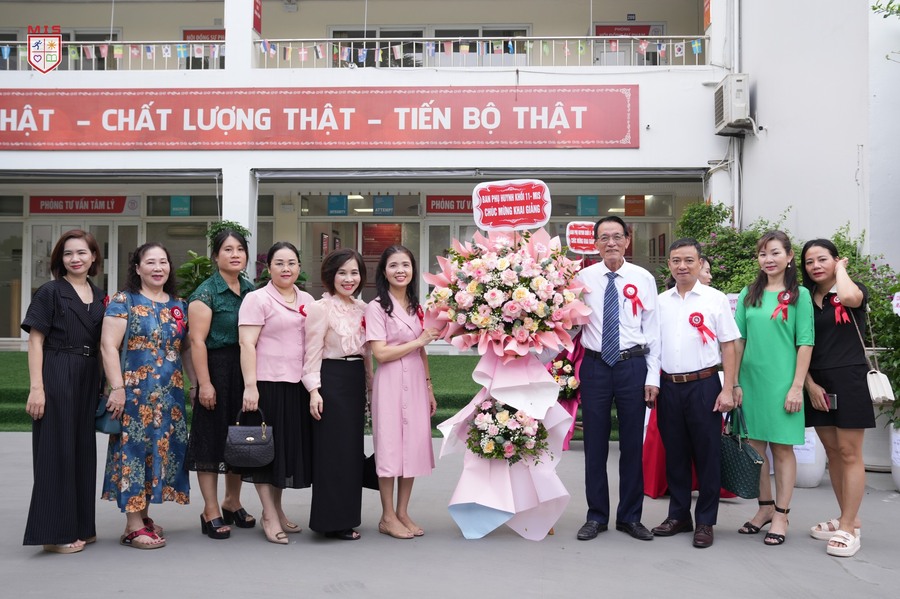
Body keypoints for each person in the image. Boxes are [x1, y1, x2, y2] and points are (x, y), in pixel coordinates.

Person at [100, 242, 195, 550]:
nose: (158, 268)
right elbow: (108, 346)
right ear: (137, 268)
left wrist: (195, 385)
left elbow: (186, 349)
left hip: (170, 397)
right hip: (135, 395)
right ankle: (132, 526)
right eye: (150, 262)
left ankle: (143, 516)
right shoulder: (124, 301)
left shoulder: (179, 305)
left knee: (157, 452)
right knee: (134, 453)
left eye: (163, 262)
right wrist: (117, 388)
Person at [575, 216, 661, 542]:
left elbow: (653, 332)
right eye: (604, 237)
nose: (610, 243)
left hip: (632, 366)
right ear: (595, 243)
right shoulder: (582, 279)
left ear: (627, 240)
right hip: (595, 366)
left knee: (631, 446)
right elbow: (570, 324)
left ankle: (630, 517)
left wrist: (653, 377)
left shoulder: (643, 278)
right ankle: (596, 516)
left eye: (616, 236)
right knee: (594, 444)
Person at [651, 238, 740, 548]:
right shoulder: (660, 302)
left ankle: (705, 521)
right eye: (676, 260)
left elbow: (729, 345)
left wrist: (728, 388)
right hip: (668, 386)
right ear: (669, 265)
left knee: (707, 455)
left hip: (704, 385)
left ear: (700, 263)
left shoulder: (715, 299)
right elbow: (654, 347)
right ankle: (678, 516)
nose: (682, 266)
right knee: (674, 454)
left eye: (689, 260)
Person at [22, 230, 105, 554]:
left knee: (82, 451)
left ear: (93, 257)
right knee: (56, 452)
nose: (75, 259)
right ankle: (54, 534)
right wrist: (37, 388)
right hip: (57, 371)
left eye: (82, 252)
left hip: (88, 377)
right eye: (68, 253)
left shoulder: (100, 296)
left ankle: (82, 525)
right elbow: (35, 341)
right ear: (60, 259)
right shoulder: (50, 292)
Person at [734, 230, 814, 546]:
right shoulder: (748, 293)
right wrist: (734, 382)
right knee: (754, 449)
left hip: (783, 382)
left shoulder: (800, 295)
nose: (768, 259)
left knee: (781, 448)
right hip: (750, 382)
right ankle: (764, 508)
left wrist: (797, 387)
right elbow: (738, 340)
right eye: (763, 254)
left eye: (775, 252)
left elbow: (805, 342)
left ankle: (781, 514)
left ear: (789, 256)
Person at [239, 242, 315, 545]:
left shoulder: (307, 299)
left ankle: (277, 508)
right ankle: (268, 514)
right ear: (268, 267)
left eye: (292, 263)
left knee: (283, 451)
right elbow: (247, 343)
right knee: (265, 451)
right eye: (280, 263)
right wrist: (251, 386)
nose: (286, 268)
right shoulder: (257, 299)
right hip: (267, 384)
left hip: (297, 385)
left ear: (299, 267)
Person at [801, 239, 873, 557]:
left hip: (849, 378)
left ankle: (848, 528)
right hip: (817, 382)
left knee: (849, 452)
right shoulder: (804, 299)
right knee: (833, 452)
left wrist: (842, 270)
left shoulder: (850, 290)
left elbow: (849, 298)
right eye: (809, 262)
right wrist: (809, 384)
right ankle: (849, 519)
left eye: (823, 259)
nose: (815, 266)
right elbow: (798, 344)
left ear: (835, 260)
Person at [186, 230, 257, 540]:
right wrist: (204, 384)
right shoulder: (205, 293)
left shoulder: (251, 290)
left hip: (244, 370)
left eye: (240, 249)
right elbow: (196, 342)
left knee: (239, 439)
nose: (235, 254)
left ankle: (232, 501)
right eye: (227, 249)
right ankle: (211, 509)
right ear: (215, 256)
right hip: (215, 370)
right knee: (211, 441)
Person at [365, 245, 438, 540]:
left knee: (412, 447)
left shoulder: (416, 306)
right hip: (391, 381)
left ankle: (403, 511)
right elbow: (380, 353)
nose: (400, 270)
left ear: (413, 270)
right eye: (393, 265)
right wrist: (419, 341)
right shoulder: (376, 308)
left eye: (405, 265)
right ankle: (387, 515)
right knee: (390, 447)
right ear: (384, 272)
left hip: (416, 381)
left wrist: (429, 387)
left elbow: (422, 353)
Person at [304, 248, 372, 540]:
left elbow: (367, 355)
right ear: (330, 275)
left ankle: (347, 518)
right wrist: (314, 391)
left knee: (351, 453)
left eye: (354, 272)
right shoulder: (321, 308)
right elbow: (311, 352)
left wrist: (370, 389)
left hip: (355, 381)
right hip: (330, 381)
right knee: (332, 454)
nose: (348, 278)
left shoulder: (364, 308)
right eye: (342, 272)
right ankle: (329, 521)